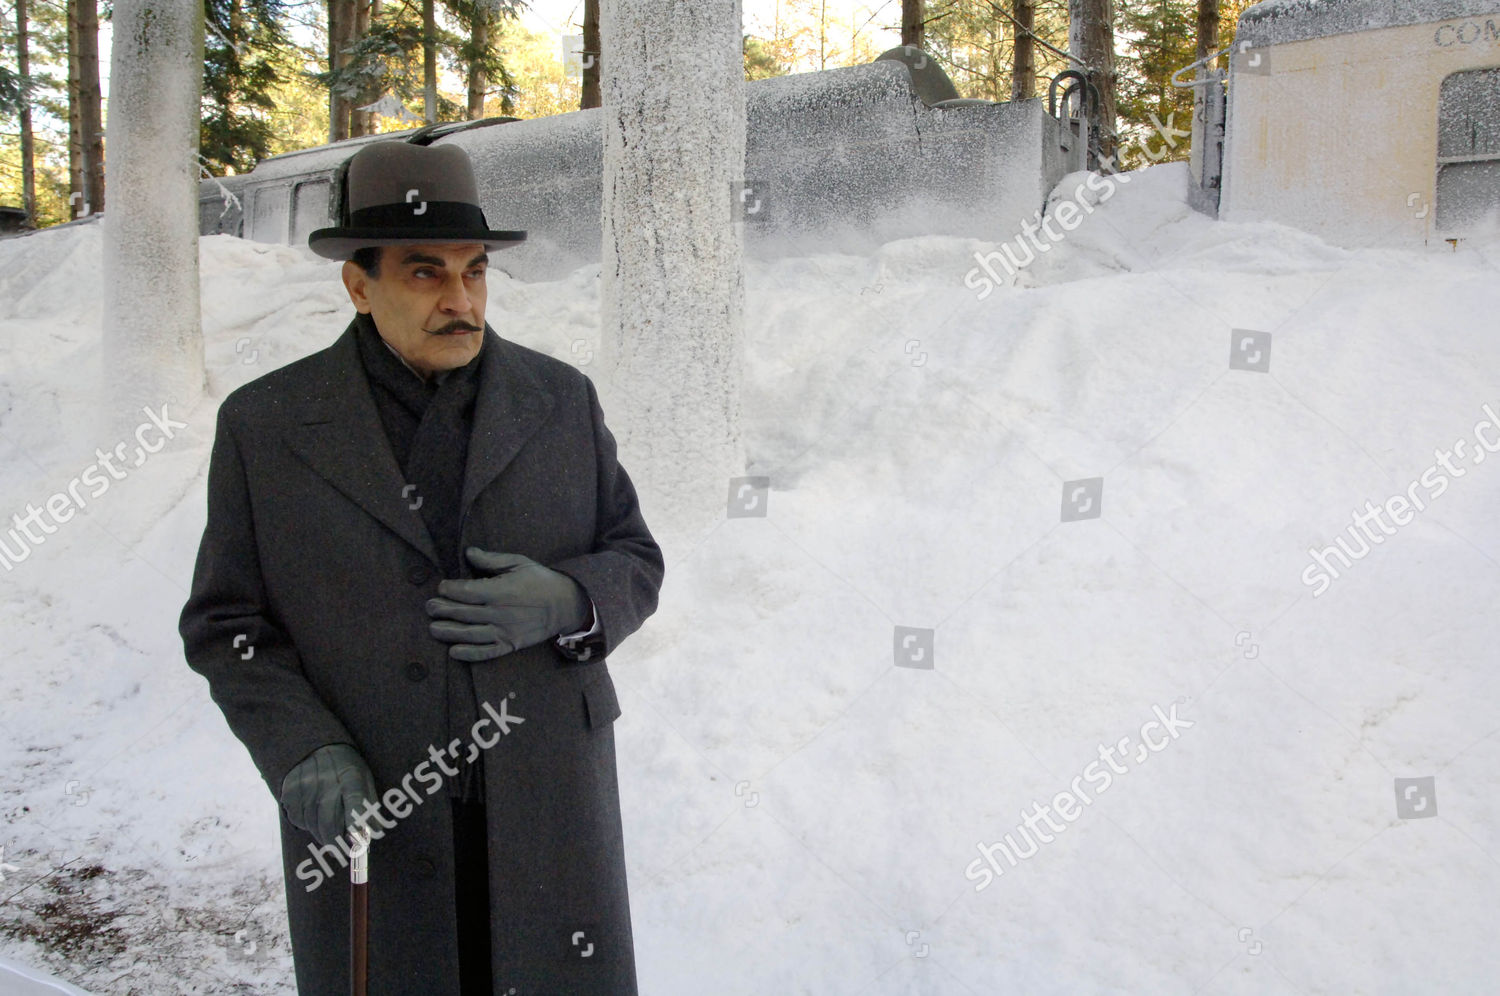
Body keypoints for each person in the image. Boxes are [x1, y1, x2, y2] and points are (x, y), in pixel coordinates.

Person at [178, 139, 664, 995]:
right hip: (379, 802)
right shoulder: (269, 426)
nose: (461, 300)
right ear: (358, 285)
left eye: (475, 272)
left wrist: (572, 599)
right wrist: (303, 748)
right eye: (425, 274)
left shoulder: (560, 400)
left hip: (547, 795)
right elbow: (227, 626)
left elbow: (636, 556)